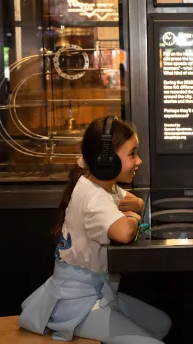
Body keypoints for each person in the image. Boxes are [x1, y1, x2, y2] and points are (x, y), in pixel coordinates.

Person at [19, 116, 171, 344]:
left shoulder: (100, 185)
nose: (138, 161)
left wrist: (134, 208)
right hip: (78, 304)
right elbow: (124, 232)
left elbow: (133, 201)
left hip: (99, 294)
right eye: (132, 154)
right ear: (106, 161)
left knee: (162, 325)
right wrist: (133, 216)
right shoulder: (93, 197)